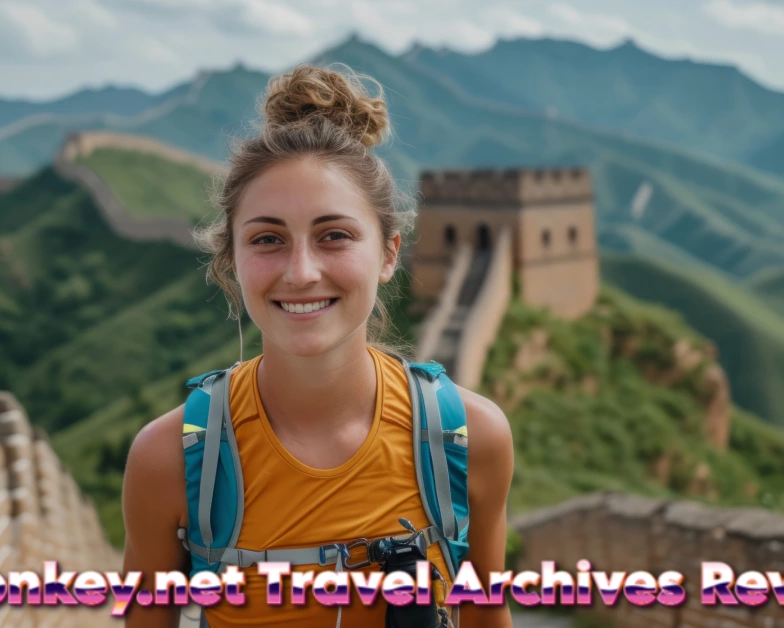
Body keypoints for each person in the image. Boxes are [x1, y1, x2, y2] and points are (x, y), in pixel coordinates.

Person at [122, 63, 515, 627]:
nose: (302, 272)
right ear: (231, 261)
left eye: (334, 236)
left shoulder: (469, 440)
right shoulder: (173, 460)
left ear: (388, 253)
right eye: (267, 239)